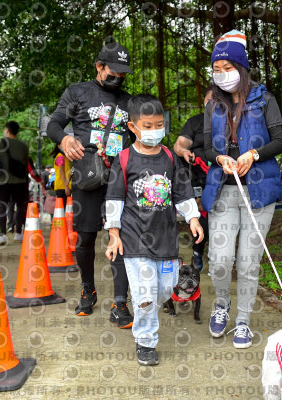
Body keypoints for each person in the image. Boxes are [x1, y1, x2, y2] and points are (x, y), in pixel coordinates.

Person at [104, 94, 203, 365]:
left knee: (163, 290)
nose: (153, 130)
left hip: (166, 240)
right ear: (133, 127)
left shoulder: (170, 157)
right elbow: (114, 199)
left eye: (158, 124)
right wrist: (114, 234)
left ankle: (145, 308)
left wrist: (193, 218)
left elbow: (182, 191)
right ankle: (146, 341)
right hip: (134, 239)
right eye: (147, 126)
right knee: (146, 294)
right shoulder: (124, 159)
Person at [202, 30, 282, 348]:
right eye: (217, 69)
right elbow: (208, 148)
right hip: (224, 190)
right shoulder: (214, 105)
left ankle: (243, 323)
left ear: (242, 67)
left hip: (259, 193)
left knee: (249, 263)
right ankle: (222, 305)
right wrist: (220, 157)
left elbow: (279, 142)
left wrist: (253, 154)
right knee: (220, 260)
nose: (222, 75)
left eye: (228, 67)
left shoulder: (264, 99)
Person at [47, 42, 134, 327]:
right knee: (85, 237)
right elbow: (54, 124)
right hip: (88, 176)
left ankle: (120, 303)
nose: (118, 78)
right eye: (114, 71)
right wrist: (64, 139)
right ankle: (88, 288)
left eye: (123, 74)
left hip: (120, 178)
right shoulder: (77, 92)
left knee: (119, 237)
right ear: (99, 66)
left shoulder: (130, 101)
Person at [173, 85, 212, 271]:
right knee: (201, 217)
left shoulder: (232, 122)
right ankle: (198, 250)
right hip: (199, 178)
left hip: (225, 177)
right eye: (210, 100)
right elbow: (180, 144)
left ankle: (219, 255)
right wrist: (183, 151)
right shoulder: (196, 122)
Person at [0, 121, 30, 246]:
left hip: (3, 180)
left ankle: (3, 234)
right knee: (20, 206)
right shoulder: (23, 145)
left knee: (3, 205)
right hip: (20, 181)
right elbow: (26, 164)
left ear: (7, 130)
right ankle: (19, 233)